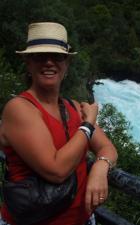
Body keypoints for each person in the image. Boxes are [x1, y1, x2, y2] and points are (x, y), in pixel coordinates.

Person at [0, 22, 118, 225]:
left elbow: (107, 147)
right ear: (28, 63)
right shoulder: (19, 108)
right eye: (39, 56)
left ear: (67, 64)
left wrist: (100, 167)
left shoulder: (73, 107)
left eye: (57, 56)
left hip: (82, 219)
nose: (49, 62)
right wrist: (88, 124)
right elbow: (56, 170)